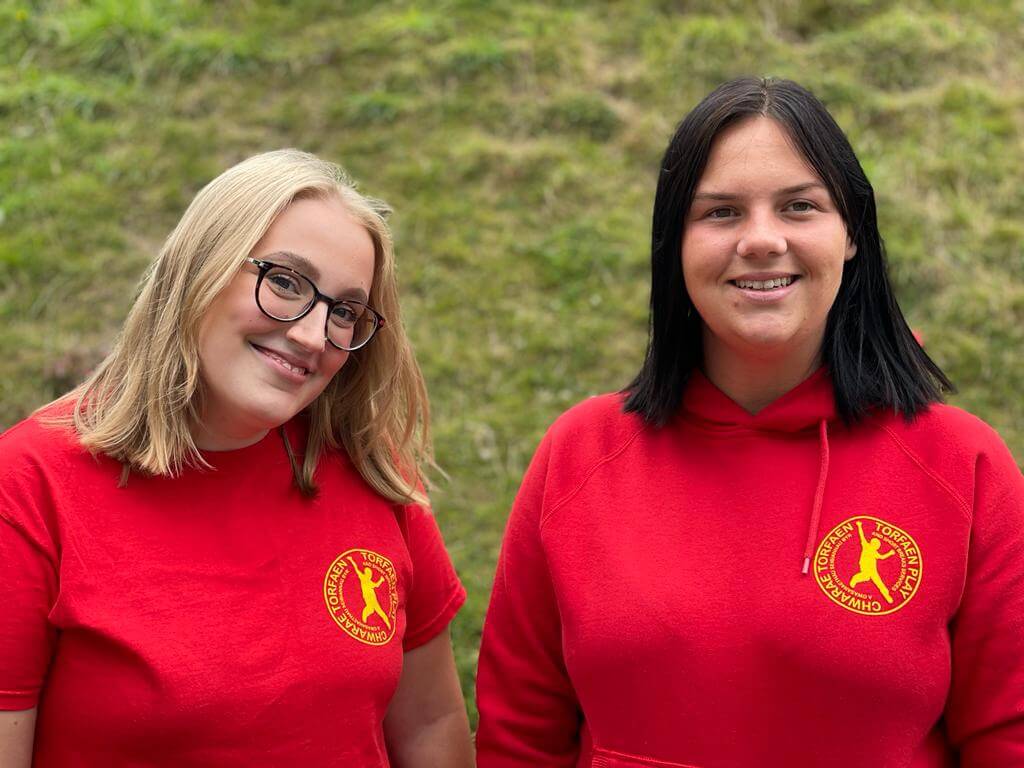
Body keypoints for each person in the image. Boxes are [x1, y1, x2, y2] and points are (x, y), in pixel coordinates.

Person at [475, 78, 1024, 766]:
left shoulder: (961, 464)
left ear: (851, 233)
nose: (762, 240)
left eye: (799, 206)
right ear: (674, 243)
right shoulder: (579, 455)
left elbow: (1009, 737)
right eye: (722, 213)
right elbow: (519, 737)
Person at [0, 150, 473, 767]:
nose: (311, 335)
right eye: (284, 282)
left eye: (345, 311)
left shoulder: (372, 475)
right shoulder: (31, 485)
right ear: (201, 267)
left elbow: (431, 723)